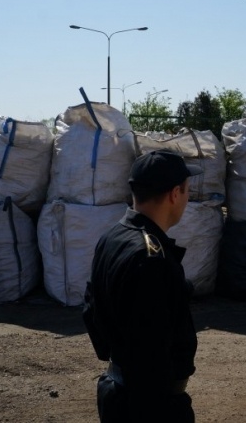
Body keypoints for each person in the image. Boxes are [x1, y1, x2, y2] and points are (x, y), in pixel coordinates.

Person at [83, 150, 203, 422]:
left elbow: (90, 308)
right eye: (186, 191)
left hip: (120, 389)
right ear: (175, 194)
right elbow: (151, 352)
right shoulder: (151, 259)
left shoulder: (113, 236)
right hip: (148, 405)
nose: (186, 199)